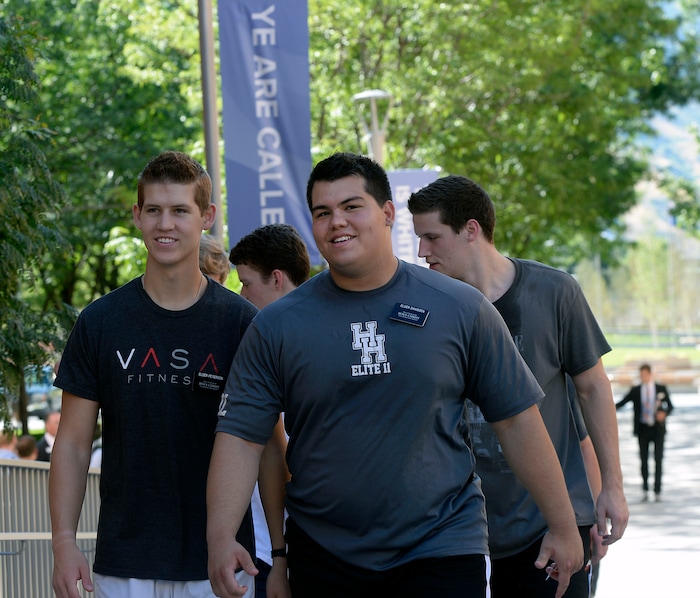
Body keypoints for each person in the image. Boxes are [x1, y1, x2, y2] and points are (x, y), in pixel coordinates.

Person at [207, 152, 583, 598]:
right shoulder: (276, 326)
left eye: (352, 206)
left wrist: (563, 524)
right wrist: (221, 539)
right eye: (322, 212)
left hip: (441, 549)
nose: (336, 222)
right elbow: (241, 438)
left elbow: (517, 420)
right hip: (326, 555)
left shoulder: (460, 308)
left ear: (387, 213)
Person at [49, 151, 260, 598]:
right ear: (137, 216)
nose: (166, 224)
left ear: (206, 217)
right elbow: (71, 443)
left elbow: (270, 444)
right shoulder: (101, 321)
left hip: (219, 567)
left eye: (180, 211)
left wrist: (279, 556)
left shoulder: (242, 324)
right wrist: (64, 544)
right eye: (154, 211)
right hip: (124, 568)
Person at [408, 174, 628, 598]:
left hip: (550, 525)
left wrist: (611, 489)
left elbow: (594, 389)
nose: (422, 251)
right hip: (457, 533)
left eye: (432, 237)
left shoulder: (555, 292)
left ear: (471, 230)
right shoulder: (428, 307)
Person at [228, 223, 311, 598]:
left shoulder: (283, 346)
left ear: (276, 278)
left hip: (296, 548)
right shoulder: (260, 343)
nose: (241, 293)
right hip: (271, 549)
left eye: (246, 283)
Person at [615, 363, 673, 502]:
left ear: (650, 374)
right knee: (644, 460)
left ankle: (657, 490)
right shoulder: (636, 390)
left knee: (658, 459)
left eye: (645, 375)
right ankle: (645, 489)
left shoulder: (660, 388)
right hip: (642, 429)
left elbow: (670, 406)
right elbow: (622, 403)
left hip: (658, 429)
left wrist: (663, 414)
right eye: (641, 375)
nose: (643, 377)